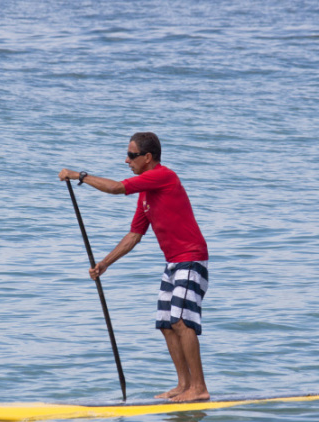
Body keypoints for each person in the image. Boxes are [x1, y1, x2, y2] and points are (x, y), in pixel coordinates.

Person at [58, 132, 210, 402]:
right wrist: (104, 263)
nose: (126, 160)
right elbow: (134, 236)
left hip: (191, 258)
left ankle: (199, 388)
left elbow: (116, 188)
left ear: (147, 158)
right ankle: (183, 385)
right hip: (173, 262)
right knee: (165, 323)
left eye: (131, 155)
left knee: (181, 321)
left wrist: (78, 176)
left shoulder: (164, 176)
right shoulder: (146, 195)